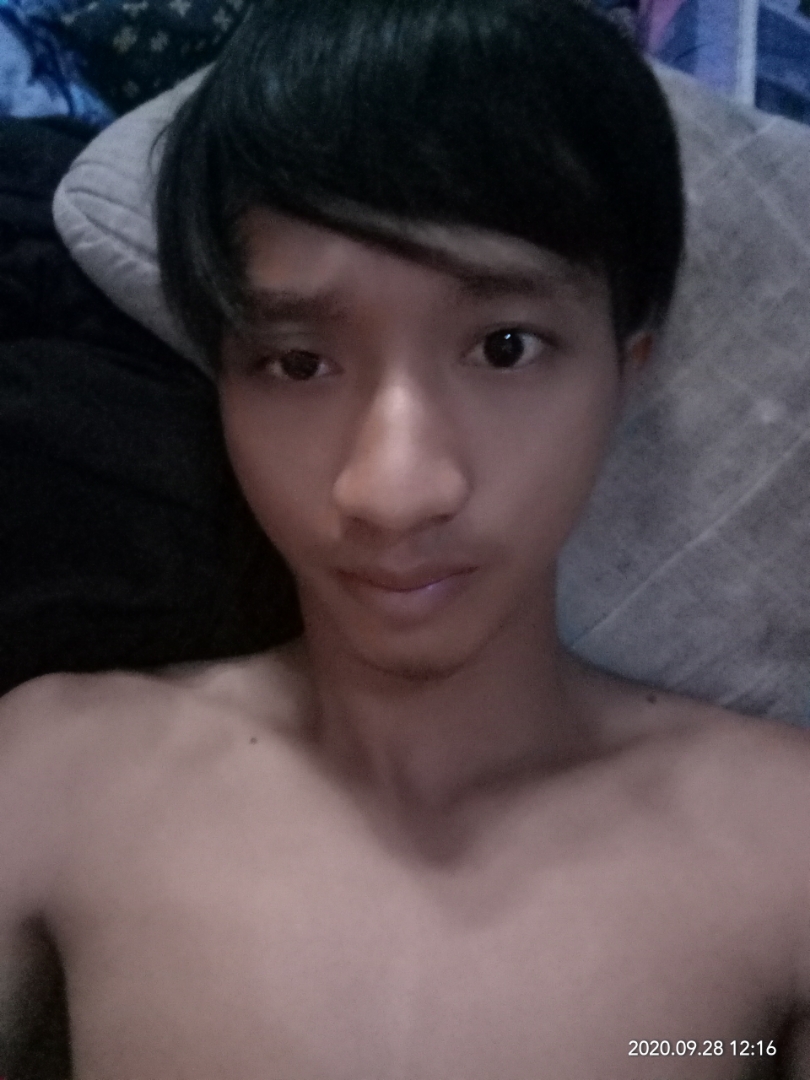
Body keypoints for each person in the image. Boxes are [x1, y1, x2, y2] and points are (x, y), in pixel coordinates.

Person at [2, 0, 810, 1076]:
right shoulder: (57, 776)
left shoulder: (786, 849)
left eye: (506, 346)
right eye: (297, 363)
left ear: (628, 372)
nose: (393, 490)